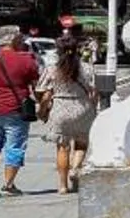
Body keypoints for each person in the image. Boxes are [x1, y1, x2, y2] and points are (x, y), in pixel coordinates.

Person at [0, 26, 42, 197]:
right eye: (20, 39)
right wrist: (43, 105)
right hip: (17, 111)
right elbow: (37, 88)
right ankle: (9, 185)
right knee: (15, 147)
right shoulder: (27, 61)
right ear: (14, 40)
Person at [39, 34, 98, 193]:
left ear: (58, 51)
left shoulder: (52, 69)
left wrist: (43, 110)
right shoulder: (86, 67)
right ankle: (76, 168)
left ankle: (63, 186)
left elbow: (43, 91)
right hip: (82, 108)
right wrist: (94, 106)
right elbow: (94, 91)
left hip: (60, 109)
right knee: (81, 143)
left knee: (62, 148)